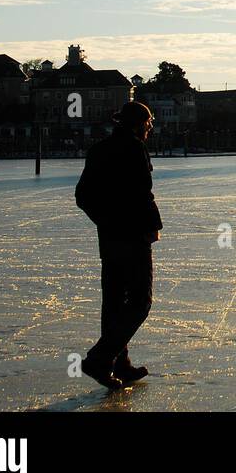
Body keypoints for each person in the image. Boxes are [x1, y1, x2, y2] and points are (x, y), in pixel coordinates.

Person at [75, 101, 162, 389]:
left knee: (114, 302)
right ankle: (100, 359)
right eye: (148, 122)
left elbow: (83, 195)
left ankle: (119, 365)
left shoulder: (99, 149)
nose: (150, 127)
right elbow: (142, 193)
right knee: (139, 302)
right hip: (134, 237)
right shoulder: (135, 147)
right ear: (138, 124)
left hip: (110, 238)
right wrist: (152, 227)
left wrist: (105, 221)